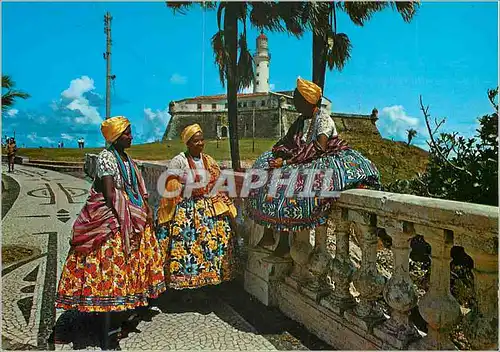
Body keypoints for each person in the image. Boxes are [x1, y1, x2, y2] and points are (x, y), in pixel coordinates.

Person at [54, 116, 166, 342]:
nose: (131, 137)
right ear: (115, 137)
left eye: (130, 132)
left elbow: (139, 189)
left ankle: (125, 309)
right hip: (110, 218)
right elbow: (109, 193)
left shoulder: (127, 159)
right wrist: (131, 215)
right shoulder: (107, 158)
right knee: (111, 267)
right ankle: (109, 328)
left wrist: (145, 210)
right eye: (126, 133)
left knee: (131, 265)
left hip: (131, 214)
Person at [246, 78, 381, 256]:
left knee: (289, 185)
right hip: (301, 158)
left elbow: (319, 148)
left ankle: (284, 243)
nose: (293, 102)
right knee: (264, 171)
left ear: (306, 101)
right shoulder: (302, 120)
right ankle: (268, 232)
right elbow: (286, 141)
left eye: (296, 98)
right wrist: (279, 155)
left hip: (322, 158)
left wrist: (287, 162)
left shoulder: (323, 119)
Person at [155, 124, 237, 291]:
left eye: (201, 140)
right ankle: (186, 285)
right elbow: (170, 185)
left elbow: (218, 181)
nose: (200, 144)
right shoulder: (179, 161)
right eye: (195, 141)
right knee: (187, 246)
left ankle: (208, 281)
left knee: (213, 242)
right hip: (187, 208)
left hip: (207, 207)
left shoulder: (208, 160)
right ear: (188, 143)